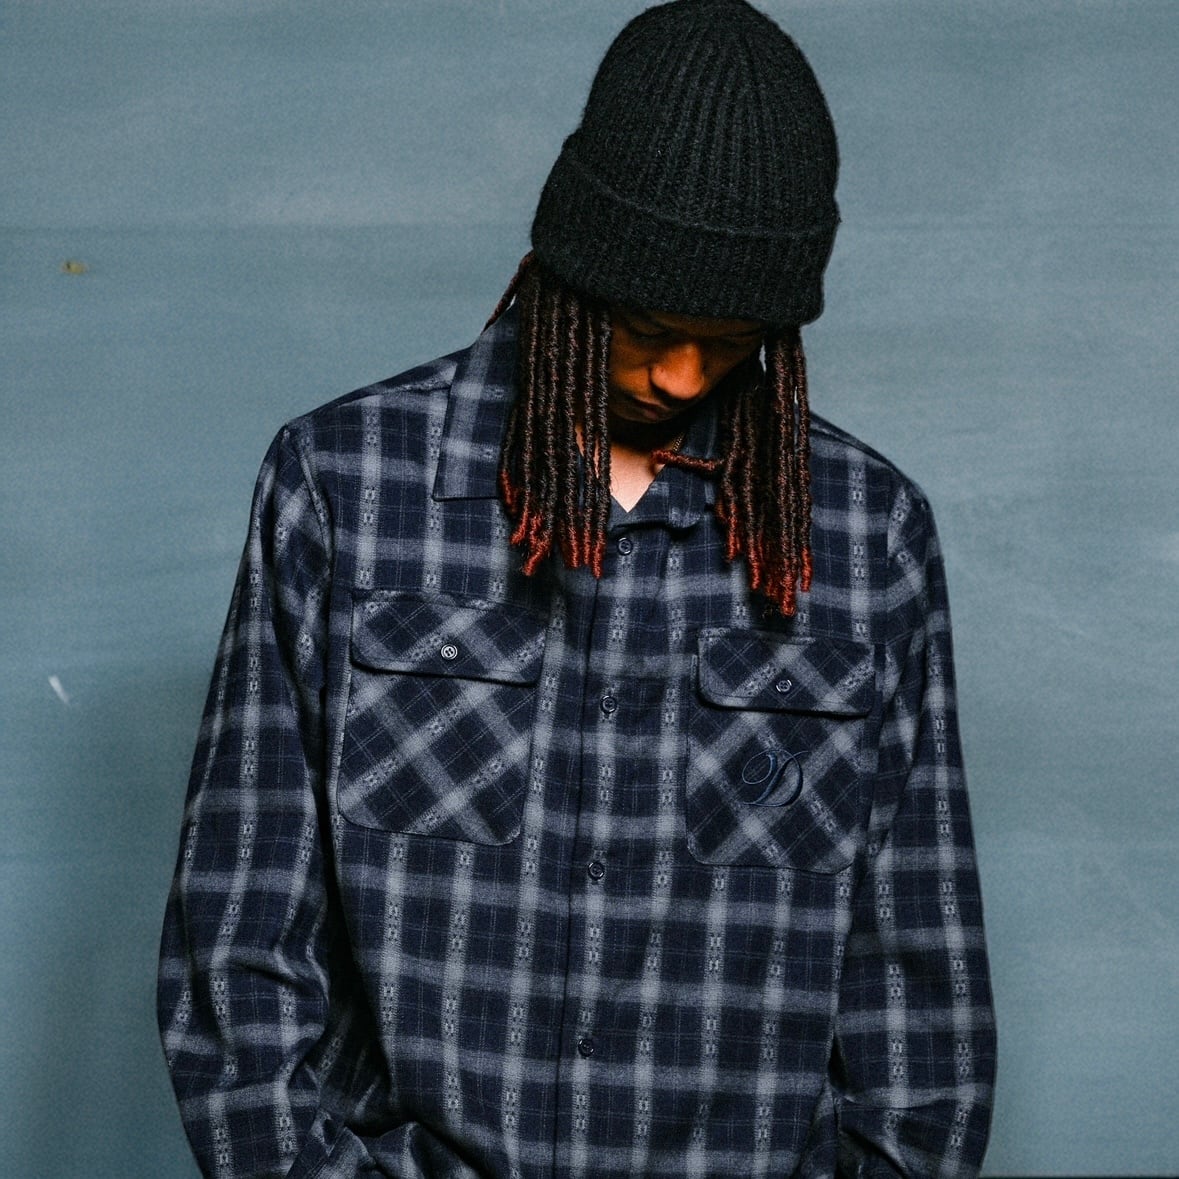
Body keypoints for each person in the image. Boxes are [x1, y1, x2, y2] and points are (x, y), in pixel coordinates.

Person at [158, 1, 997, 1176]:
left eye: (731, 339)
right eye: (648, 328)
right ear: (568, 271)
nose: (683, 376)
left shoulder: (868, 534)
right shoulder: (341, 485)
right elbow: (238, 942)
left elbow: (920, 993)